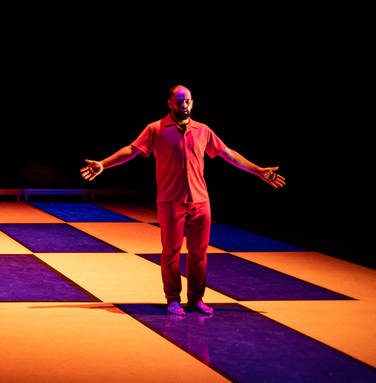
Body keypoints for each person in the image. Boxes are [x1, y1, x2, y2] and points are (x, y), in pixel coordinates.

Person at [80, 85, 285, 316]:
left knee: (199, 253)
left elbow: (228, 153)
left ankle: (196, 298)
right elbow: (132, 149)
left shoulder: (203, 130)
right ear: (170, 103)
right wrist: (103, 165)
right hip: (170, 202)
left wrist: (258, 170)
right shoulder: (156, 129)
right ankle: (173, 298)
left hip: (200, 202)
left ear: (192, 103)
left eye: (186, 100)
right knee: (171, 252)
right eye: (178, 101)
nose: (183, 105)